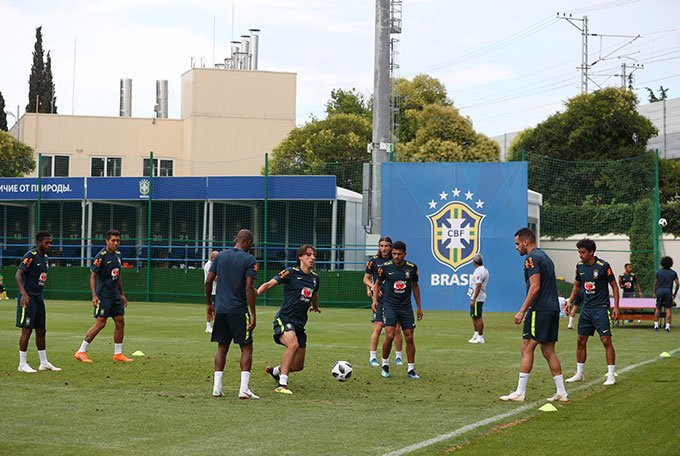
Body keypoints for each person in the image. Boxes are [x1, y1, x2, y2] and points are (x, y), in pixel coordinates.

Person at [500, 228, 567, 402]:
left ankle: (520, 392)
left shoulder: (531, 259)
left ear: (525, 242)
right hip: (552, 309)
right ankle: (561, 392)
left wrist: (522, 310)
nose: (516, 247)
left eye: (517, 244)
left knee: (527, 348)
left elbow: (535, 287)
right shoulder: (545, 257)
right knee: (548, 351)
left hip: (540, 309)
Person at [205, 229, 259, 400]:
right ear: (248, 241)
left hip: (221, 309)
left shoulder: (220, 257)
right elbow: (249, 288)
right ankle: (243, 389)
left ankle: (216, 388)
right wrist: (253, 313)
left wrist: (209, 304)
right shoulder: (249, 260)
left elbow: (208, 281)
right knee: (246, 347)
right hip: (238, 310)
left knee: (222, 347)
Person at [259, 244, 321, 395]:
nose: (312, 258)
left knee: (298, 365)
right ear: (300, 257)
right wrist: (258, 292)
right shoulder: (291, 272)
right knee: (292, 345)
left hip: (300, 324)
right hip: (284, 318)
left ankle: (276, 371)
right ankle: (282, 384)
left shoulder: (314, 278)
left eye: (313, 255)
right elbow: (270, 283)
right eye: (308, 255)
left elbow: (313, 294)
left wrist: (315, 306)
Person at [565, 238, 620, 386]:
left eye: (583, 252)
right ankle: (579, 373)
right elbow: (577, 286)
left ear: (591, 252)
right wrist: (570, 301)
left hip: (601, 309)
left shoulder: (603, 266)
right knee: (580, 340)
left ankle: (611, 375)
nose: (580, 255)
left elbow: (614, 286)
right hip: (586, 309)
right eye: (579, 252)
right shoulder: (579, 266)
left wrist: (615, 307)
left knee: (606, 340)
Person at [74, 229, 134, 363]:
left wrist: (122, 294)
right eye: (113, 240)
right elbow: (93, 276)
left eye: (118, 241)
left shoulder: (118, 255)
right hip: (103, 295)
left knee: (120, 321)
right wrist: (94, 295)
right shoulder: (101, 256)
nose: (116, 243)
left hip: (115, 295)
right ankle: (81, 351)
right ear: (107, 241)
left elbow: (118, 275)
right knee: (100, 323)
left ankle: (118, 354)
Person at [372, 240, 423, 379]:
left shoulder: (412, 268)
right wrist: (375, 300)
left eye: (399, 254)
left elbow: (415, 287)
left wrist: (419, 308)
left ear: (404, 254)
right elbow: (376, 285)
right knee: (389, 335)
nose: (395, 256)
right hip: (390, 306)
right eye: (394, 253)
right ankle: (385, 365)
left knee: (410, 337)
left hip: (406, 307)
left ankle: (411, 369)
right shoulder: (385, 267)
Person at [15, 231, 61, 373]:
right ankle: (22, 364)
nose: (49, 245)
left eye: (50, 242)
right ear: (39, 242)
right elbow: (18, 274)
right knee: (27, 330)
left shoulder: (45, 258)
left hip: (38, 298)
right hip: (28, 298)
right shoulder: (31, 256)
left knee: (41, 330)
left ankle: (44, 362)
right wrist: (23, 294)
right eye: (47, 242)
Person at [363, 236, 404, 366]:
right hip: (380, 299)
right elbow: (366, 278)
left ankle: (398, 357)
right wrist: (372, 287)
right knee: (378, 326)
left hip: (393, 299)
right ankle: (372, 357)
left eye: (386, 246)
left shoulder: (395, 260)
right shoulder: (373, 261)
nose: (384, 248)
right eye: (381, 246)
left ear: (391, 247)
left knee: (397, 328)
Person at [467, 254, 489, 344]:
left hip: (478, 297)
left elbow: (478, 285)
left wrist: (474, 299)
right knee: (474, 316)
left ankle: (480, 337)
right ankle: (476, 335)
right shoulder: (482, 270)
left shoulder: (479, 272)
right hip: (476, 296)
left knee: (477, 317)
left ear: (474, 262)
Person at [652, 256, 678, 332]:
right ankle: (667, 326)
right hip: (668, 292)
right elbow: (678, 284)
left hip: (659, 291)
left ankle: (656, 325)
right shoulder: (673, 273)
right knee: (668, 309)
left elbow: (655, 283)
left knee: (657, 309)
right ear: (671, 263)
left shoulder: (658, 272)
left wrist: (654, 292)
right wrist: (675, 293)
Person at [203, 250, 219, 333]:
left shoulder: (215, 264)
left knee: (217, 309)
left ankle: (214, 326)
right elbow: (214, 278)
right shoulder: (208, 265)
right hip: (212, 290)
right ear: (212, 258)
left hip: (217, 290)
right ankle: (209, 326)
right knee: (212, 308)